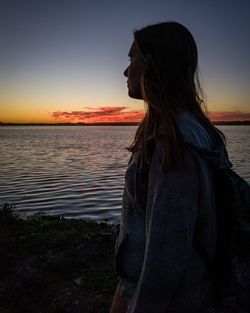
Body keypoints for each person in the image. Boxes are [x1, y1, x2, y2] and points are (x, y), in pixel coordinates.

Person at [109, 21, 232, 313]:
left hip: (173, 299)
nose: (126, 71)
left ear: (152, 63)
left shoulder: (172, 142)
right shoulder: (194, 131)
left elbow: (165, 256)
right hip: (149, 285)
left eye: (131, 58)